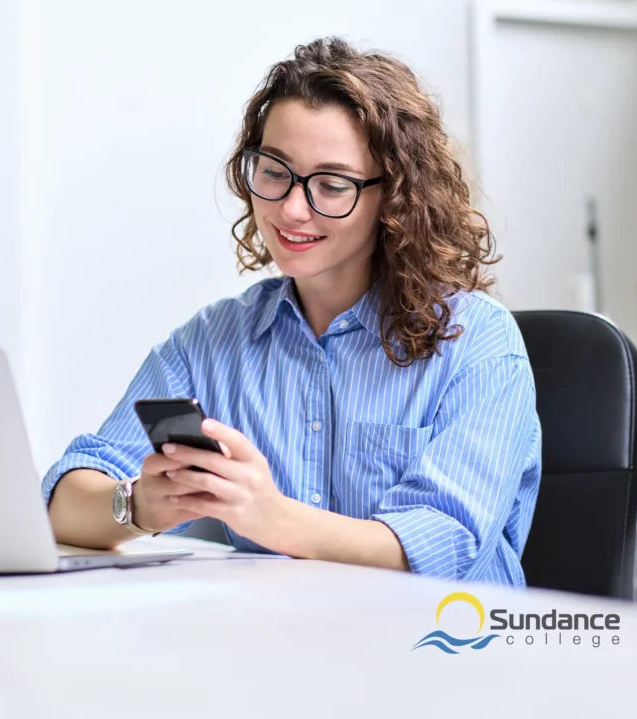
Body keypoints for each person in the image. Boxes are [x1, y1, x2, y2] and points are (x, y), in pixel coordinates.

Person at [41, 37, 541, 585]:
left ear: (396, 197)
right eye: (274, 171)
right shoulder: (212, 342)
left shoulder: (479, 343)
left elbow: (445, 543)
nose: (291, 208)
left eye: (331, 184)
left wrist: (270, 517)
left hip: (446, 651)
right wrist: (138, 508)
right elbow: (66, 496)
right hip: (281, 648)